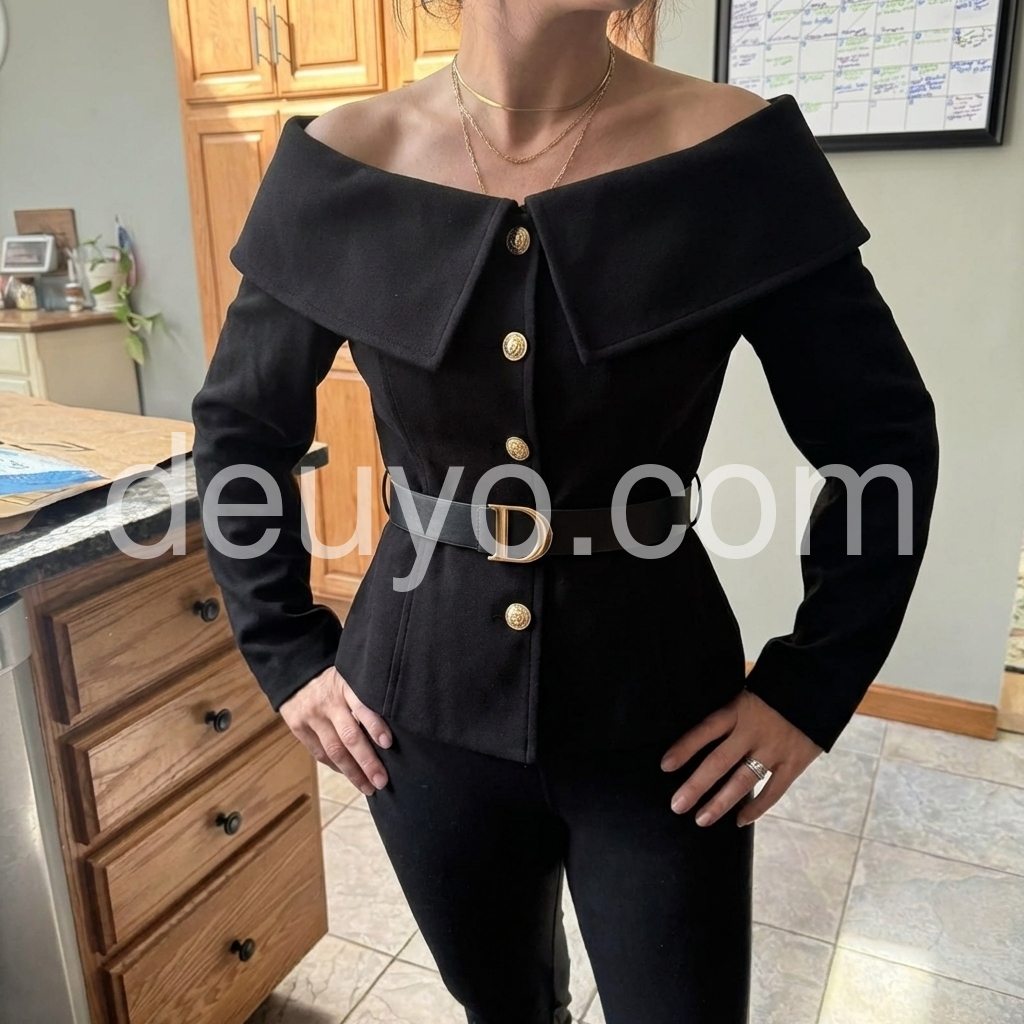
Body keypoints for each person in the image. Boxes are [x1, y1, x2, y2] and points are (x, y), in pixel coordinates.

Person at [190, 2, 940, 1021]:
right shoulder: (339, 163)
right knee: (502, 1006)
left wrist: (813, 683)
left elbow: (879, 436)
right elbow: (240, 429)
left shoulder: (737, 155)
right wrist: (284, 650)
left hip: (664, 720)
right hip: (417, 714)